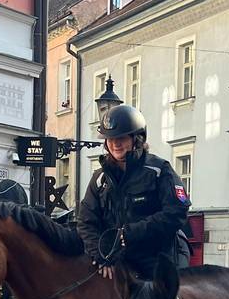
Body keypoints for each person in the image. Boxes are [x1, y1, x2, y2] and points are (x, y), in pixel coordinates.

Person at [78, 104, 191, 280]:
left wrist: (131, 233)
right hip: (118, 259)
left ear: (137, 139)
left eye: (121, 138)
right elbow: (86, 222)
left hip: (159, 256)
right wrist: (100, 255)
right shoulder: (100, 179)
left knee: (165, 295)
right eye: (110, 139)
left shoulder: (159, 170)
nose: (115, 143)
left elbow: (177, 212)